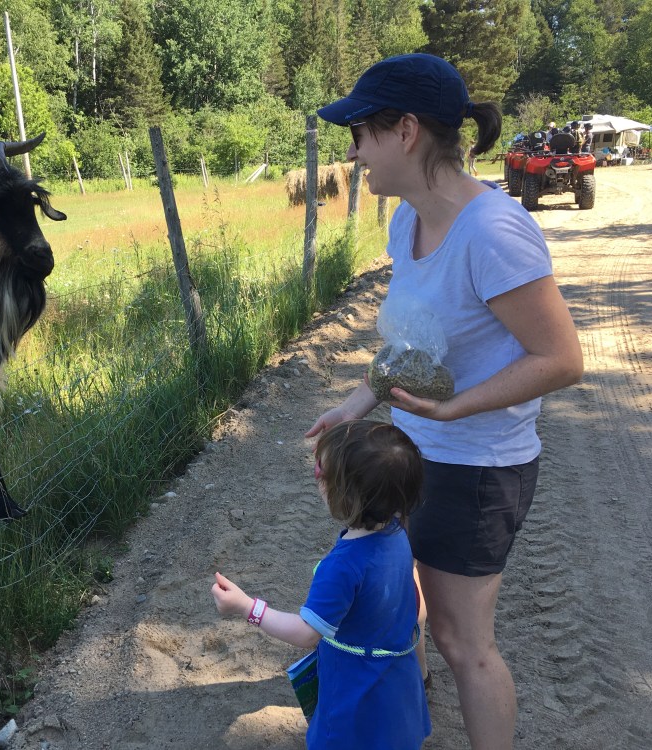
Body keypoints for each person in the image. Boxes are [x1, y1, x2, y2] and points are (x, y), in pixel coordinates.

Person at [308, 53, 584, 750]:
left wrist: (456, 410)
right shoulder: (407, 222)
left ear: (405, 131)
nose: (352, 152)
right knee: (407, 607)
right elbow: (412, 349)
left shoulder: (492, 232)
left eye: (360, 134)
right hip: (415, 455)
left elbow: (561, 359)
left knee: (465, 642)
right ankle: (410, 720)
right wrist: (355, 406)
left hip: (479, 470)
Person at [211, 420, 431, 750]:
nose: (316, 475)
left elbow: (306, 633)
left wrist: (247, 608)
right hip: (397, 681)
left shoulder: (342, 566)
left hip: (357, 688)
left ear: (346, 495)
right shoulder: (398, 533)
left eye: (322, 471)